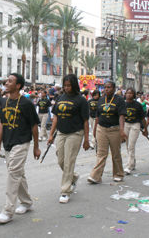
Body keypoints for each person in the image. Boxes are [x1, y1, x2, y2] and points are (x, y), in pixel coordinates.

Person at [0, 73, 40, 223]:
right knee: (18, 173)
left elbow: (34, 126)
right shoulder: (4, 101)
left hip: (21, 142)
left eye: (10, 81)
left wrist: (36, 147)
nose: (6, 83)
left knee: (13, 173)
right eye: (7, 80)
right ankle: (26, 201)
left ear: (18, 85)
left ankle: (8, 211)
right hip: (8, 143)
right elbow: (1, 123)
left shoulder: (26, 104)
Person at [48, 74, 89, 203]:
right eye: (65, 86)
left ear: (74, 85)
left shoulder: (81, 100)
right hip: (61, 132)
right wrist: (51, 134)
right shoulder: (60, 97)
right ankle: (74, 176)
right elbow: (56, 116)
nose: (66, 88)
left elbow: (86, 121)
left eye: (69, 86)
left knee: (69, 161)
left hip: (75, 133)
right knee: (61, 160)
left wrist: (86, 140)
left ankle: (65, 191)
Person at [87, 81, 127, 184]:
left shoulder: (119, 100)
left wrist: (122, 130)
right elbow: (97, 116)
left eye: (109, 87)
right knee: (101, 153)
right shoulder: (101, 100)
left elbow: (122, 116)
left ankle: (118, 174)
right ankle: (96, 176)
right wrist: (95, 130)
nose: (106, 89)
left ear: (114, 88)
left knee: (116, 153)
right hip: (102, 129)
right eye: (105, 87)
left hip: (115, 130)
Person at [123, 88, 148, 175]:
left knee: (131, 145)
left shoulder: (138, 105)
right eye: (128, 93)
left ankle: (129, 166)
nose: (129, 95)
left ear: (134, 95)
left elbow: (142, 118)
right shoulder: (123, 104)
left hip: (135, 125)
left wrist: (145, 128)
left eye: (131, 93)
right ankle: (133, 162)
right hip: (126, 124)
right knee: (127, 144)